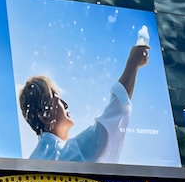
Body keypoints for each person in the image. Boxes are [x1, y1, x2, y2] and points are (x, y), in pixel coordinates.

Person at [19, 43, 150, 163]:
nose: (65, 104)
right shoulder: (66, 154)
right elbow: (112, 118)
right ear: (45, 115)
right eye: (56, 97)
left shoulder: (34, 160)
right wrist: (132, 65)